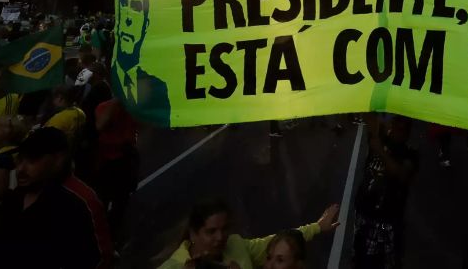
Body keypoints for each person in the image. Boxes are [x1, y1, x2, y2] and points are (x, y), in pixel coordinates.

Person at [0, 127, 113, 267]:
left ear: (58, 159)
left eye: (32, 160)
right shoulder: (17, 196)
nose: (20, 169)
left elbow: (99, 259)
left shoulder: (80, 202)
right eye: (20, 159)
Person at [159, 198, 340, 268]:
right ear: (193, 234)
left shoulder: (236, 244)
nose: (220, 237)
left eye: (224, 230)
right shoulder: (173, 267)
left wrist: (316, 227)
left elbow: (277, 243)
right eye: (211, 231)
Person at [352, 114, 419, 269]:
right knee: (361, 257)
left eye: (400, 128)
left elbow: (402, 174)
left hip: (388, 221)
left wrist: (380, 151)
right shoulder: (382, 139)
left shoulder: (410, 154)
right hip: (365, 214)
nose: (394, 130)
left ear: (407, 133)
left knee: (389, 261)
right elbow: (370, 117)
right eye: (393, 125)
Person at [111, 0, 170, 127]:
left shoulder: (160, 89)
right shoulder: (105, 82)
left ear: (146, 25)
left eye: (136, 7)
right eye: (123, 3)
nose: (128, 18)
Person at [94, 97, 138, 235]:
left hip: (125, 159)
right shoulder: (104, 106)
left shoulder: (132, 106)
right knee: (102, 200)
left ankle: (112, 233)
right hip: (107, 161)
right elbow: (100, 125)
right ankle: (98, 231)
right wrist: (116, 102)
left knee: (121, 201)